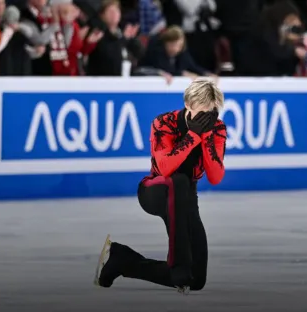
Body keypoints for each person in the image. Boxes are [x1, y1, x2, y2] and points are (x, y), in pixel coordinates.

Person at [94, 78, 227, 294]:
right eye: (201, 112)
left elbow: (215, 177)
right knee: (179, 182)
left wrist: (207, 137)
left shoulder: (217, 129)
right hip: (156, 191)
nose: (206, 119)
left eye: (211, 113)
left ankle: (121, 260)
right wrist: (192, 136)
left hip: (186, 198)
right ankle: (179, 264)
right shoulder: (164, 123)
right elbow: (164, 167)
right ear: (188, 105)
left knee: (196, 280)